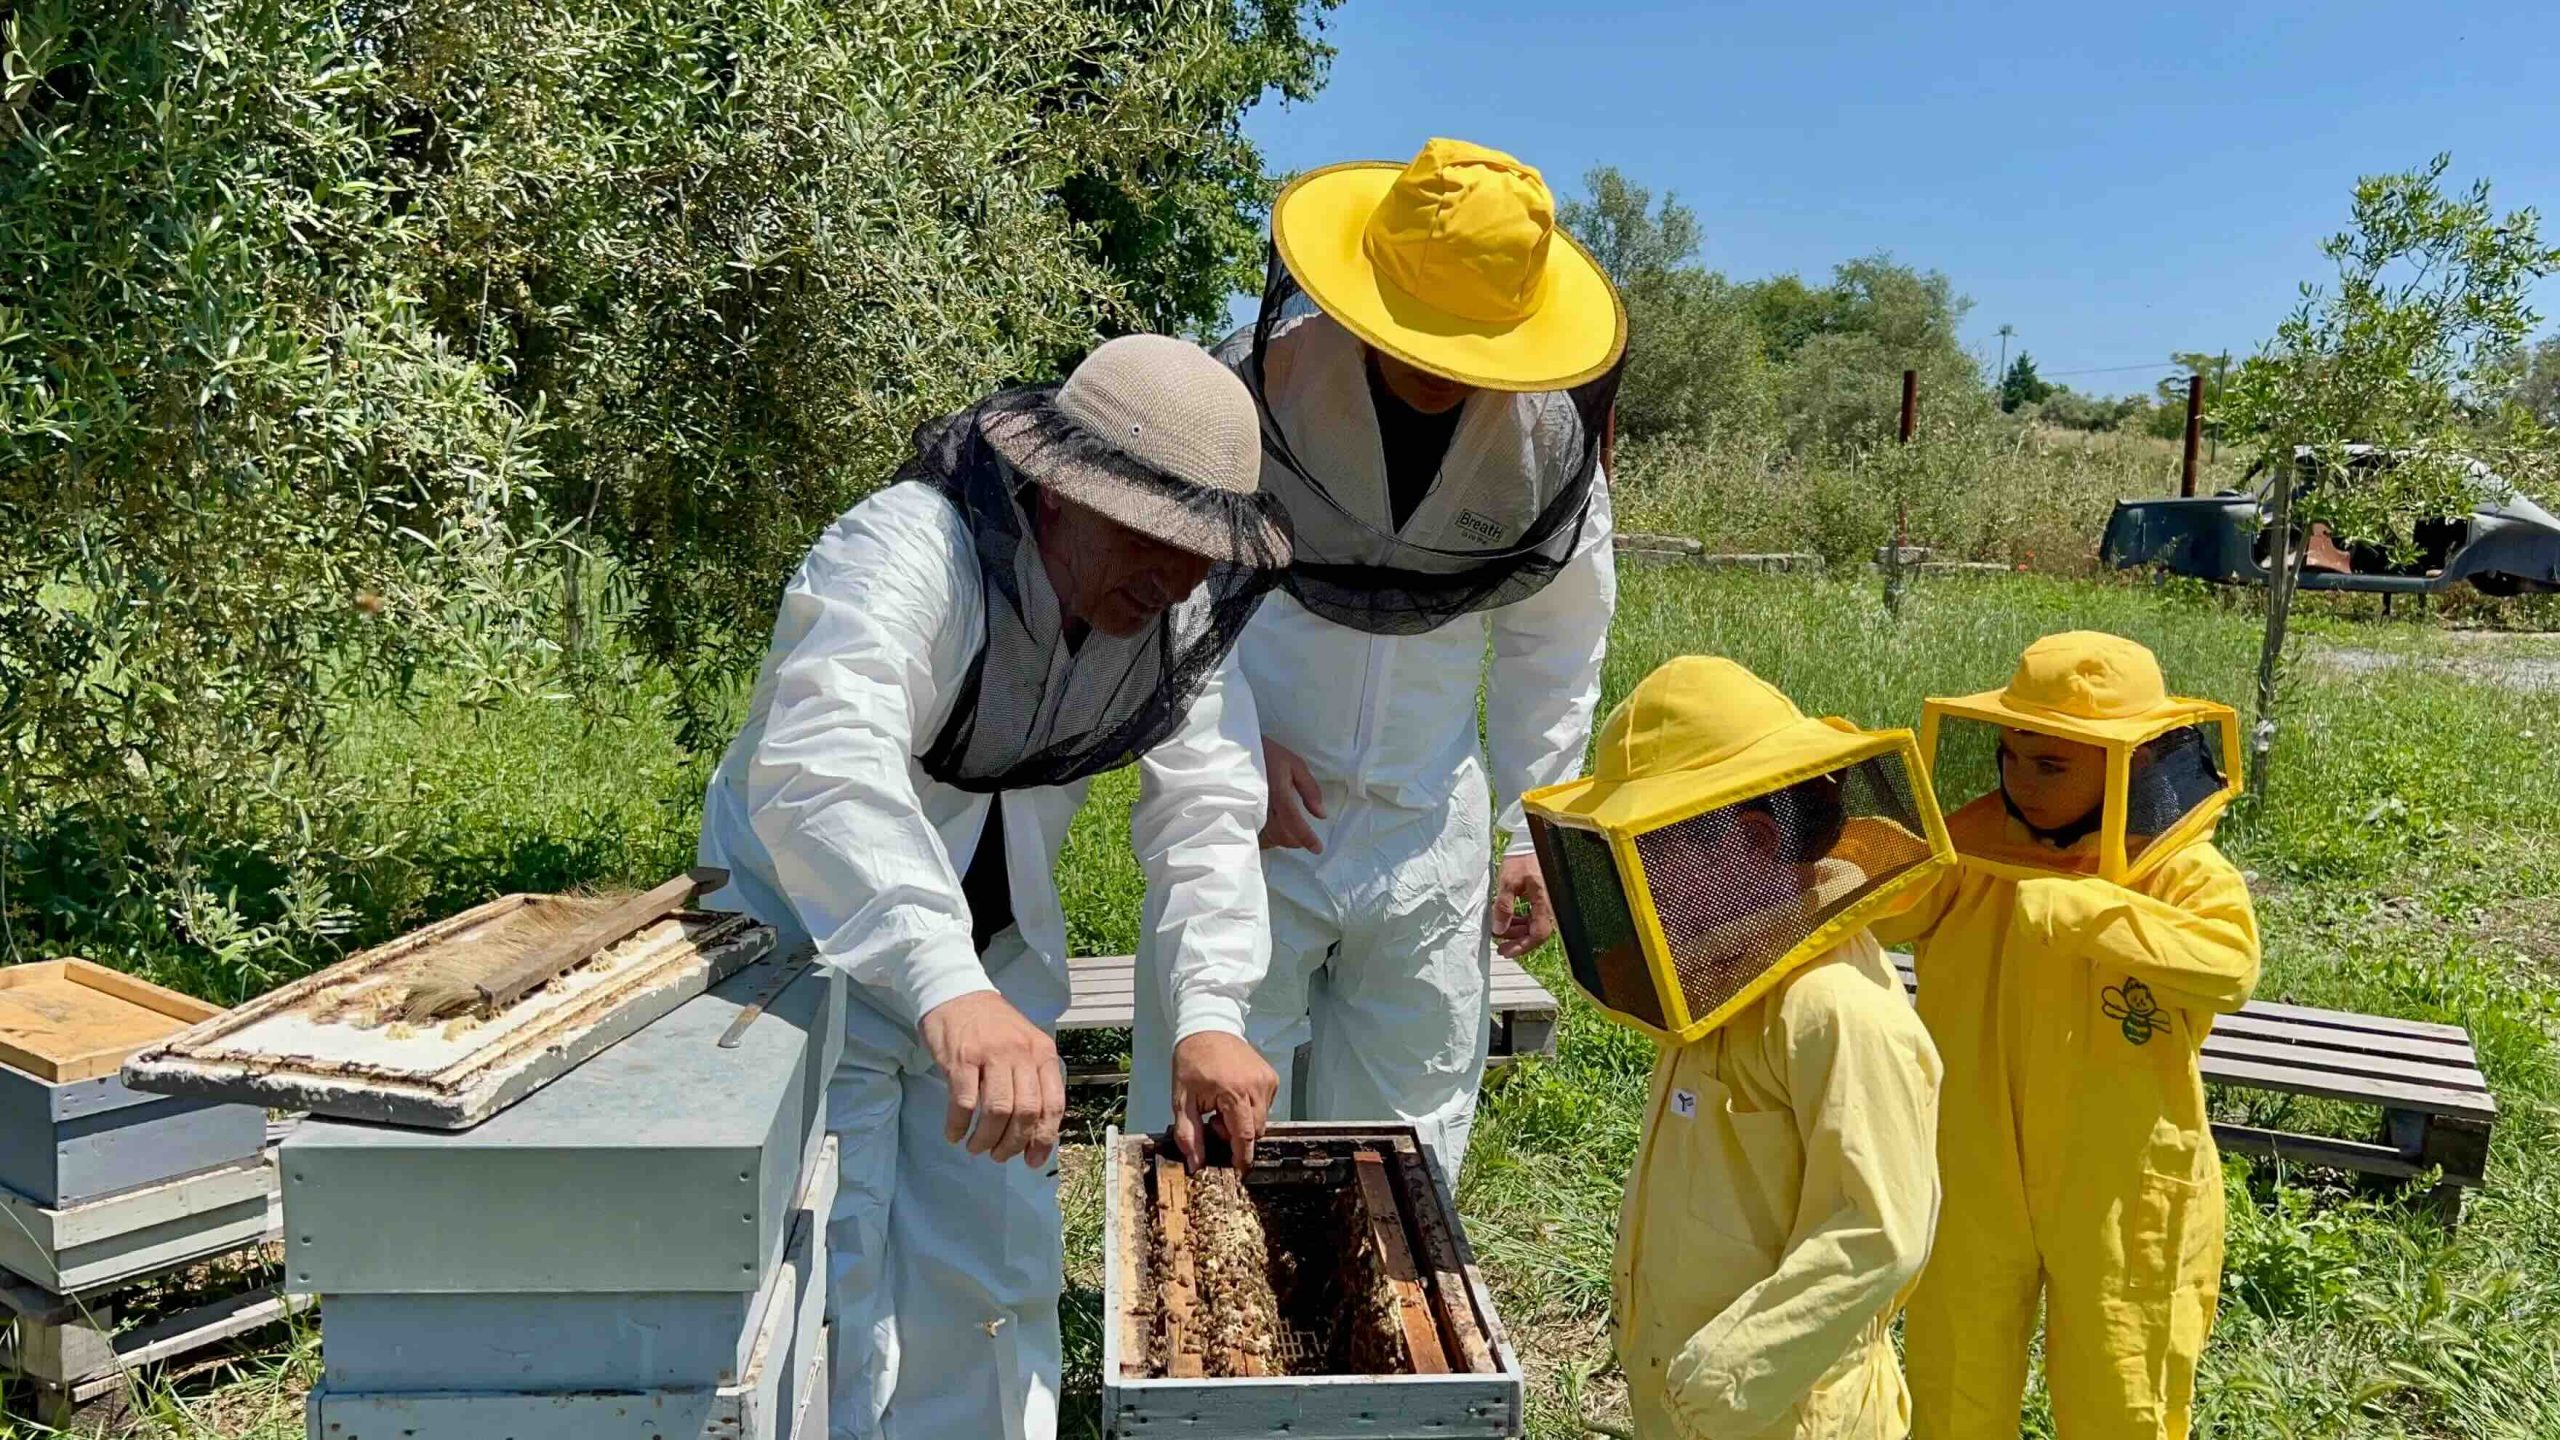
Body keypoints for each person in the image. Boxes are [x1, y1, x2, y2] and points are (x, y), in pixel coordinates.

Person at [695, 335, 1292, 1439]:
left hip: (992, 963)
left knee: (996, 1272)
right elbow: (824, 757)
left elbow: (1207, 807)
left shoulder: (1177, 616)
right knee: (833, 1285)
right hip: (805, 951)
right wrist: (940, 980)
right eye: (1151, 532)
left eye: (1201, 548)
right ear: (1056, 493)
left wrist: (1209, 1011)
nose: (1174, 573)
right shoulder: (902, 548)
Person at [1129, 136, 1628, 1172]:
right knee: (1210, 1114)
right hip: (1252, 810)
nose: (1438, 366)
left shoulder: (1546, 451)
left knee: (1407, 1138)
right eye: (1419, 332)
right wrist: (1229, 762)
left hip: (1423, 821)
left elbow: (1557, 640)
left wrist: (1537, 827)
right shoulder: (1258, 386)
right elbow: (1170, 598)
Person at [1525, 656, 1947, 1439]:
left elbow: (1881, 1229)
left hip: (1786, 1412)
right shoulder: (1719, 986)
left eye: (1651, 850)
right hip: (1697, 1403)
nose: (1632, 880)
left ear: (1750, 843)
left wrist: (1721, 1379)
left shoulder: (1834, 1006)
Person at [1877, 631, 2261, 1440]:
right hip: (1971, 1161)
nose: (2023, 780)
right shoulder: (1971, 844)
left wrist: (2099, 916)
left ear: (2129, 762)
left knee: (2124, 1391)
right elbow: (1890, 908)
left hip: (2119, 1178)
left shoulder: (2181, 870)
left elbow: (2230, 964)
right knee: (1954, 1384)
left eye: (2052, 765)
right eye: (2013, 756)